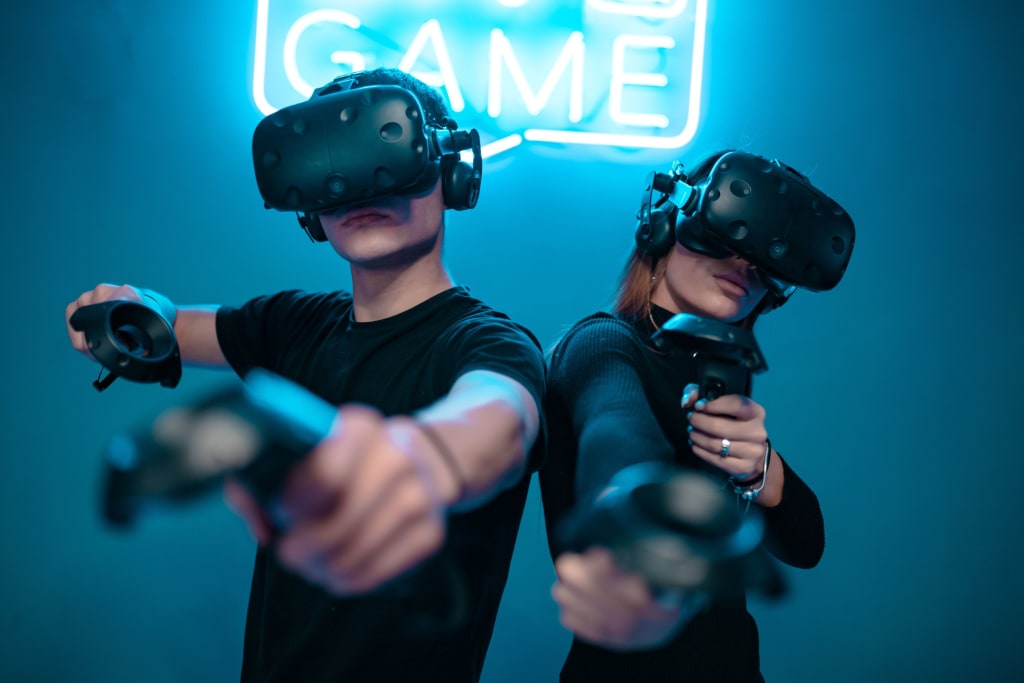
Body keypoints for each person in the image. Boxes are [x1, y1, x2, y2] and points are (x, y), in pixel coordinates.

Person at [65, 68, 546, 683]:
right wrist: (123, 309)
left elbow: (499, 417)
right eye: (333, 166)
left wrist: (423, 459)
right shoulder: (294, 325)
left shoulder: (489, 343)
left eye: (386, 149)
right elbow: (167, 325)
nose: (361, 186)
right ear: (311, 205)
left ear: (450, 170)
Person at [539, 150, 828, 682]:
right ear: (665, 226)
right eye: (725, 234)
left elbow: (807, 544)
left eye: (764, 255)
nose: (743, 265)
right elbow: (616, 427)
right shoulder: (603, 343)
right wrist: (630, 511)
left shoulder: (720, 378)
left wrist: (758, 468)